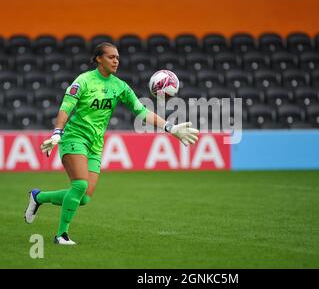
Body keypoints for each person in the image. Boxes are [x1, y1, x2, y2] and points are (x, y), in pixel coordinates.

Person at [24, 42, 199, 245]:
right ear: (98, 58)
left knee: (84, 198)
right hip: (74, 138)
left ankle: (38, 197)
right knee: (79, 184)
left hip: (95, 145)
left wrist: (171, 128)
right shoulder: (84, 81)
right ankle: (61, 235)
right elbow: (66, 107)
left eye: (117, 57)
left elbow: (141, 111)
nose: (116, 60)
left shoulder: (120, 86)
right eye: (111, 57)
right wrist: (57, 132)